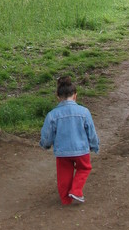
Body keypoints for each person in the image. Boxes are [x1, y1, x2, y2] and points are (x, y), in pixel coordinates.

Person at [40, 75, 100, 205]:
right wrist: (94, 145)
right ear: (75, 95)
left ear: (58, 97)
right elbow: (91, 131)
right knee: (84, 168)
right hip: (82, 150)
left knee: (64, 175)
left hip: (62, 151)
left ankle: (65, 199)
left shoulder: (52, 115)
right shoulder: (84, 112)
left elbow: (47, 134)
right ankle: (76, 191)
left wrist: (45, 145)